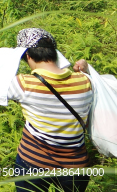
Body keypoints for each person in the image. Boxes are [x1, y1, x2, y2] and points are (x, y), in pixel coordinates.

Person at [6, 28, 94, 192]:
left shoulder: (23, 84)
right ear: (55, 53)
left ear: (27, 56)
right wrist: (86, 67)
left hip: (33, 163)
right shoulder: (85, 81)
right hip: (75, 166)